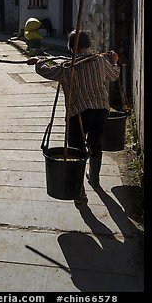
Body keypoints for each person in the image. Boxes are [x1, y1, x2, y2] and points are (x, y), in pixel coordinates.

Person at [27, 29, 120, 207]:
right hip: (101, 109)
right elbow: (114, 75)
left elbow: (47, 72)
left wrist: (37, 62)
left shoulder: (67, 66)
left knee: (76, 149)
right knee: (95, 143)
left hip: (78, 112)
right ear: (89, 45)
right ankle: (95, 179)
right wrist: (114, 62)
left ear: (70, 47)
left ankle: (80, 192)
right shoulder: (100, 60)